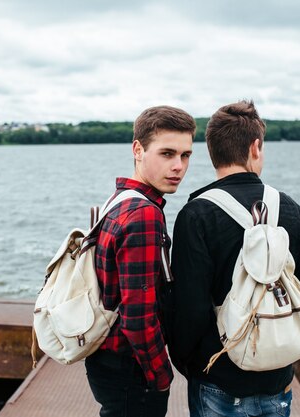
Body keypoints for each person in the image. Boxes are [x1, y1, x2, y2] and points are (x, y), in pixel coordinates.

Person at [168, 100, 300, 417]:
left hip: (218, 378)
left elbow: (190, 309)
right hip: (277, 380)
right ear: (256, 147)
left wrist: (192, 364)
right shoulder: (291, 210)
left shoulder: (196, 215)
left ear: (212, 153)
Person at [85, 105, 196, 417]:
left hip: (106, 359)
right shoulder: (144, 214)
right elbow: (138, 316)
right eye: (167, 153)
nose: (178, 166)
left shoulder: (118, 200)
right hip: (130, 366)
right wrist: (162, 375)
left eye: (185, 155)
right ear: (138, 149)